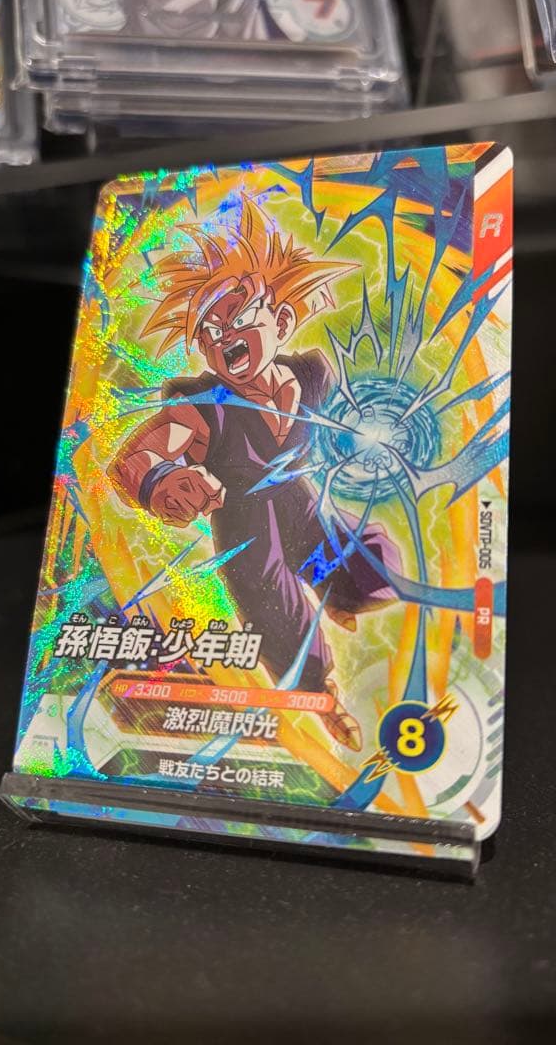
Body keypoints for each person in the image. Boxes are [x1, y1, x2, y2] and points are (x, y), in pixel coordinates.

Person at [110, 197, 400, 751]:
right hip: (243, 524)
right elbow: (137, 457)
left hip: (300, 502)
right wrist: (161, 481)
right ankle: (324, 695)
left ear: (282, 322)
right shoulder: (205, 407)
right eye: (209, 330)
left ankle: (337, 594)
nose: (224, 336)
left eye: (239, 318)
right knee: (273, 603)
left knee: (367, 562)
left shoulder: (310, 376)